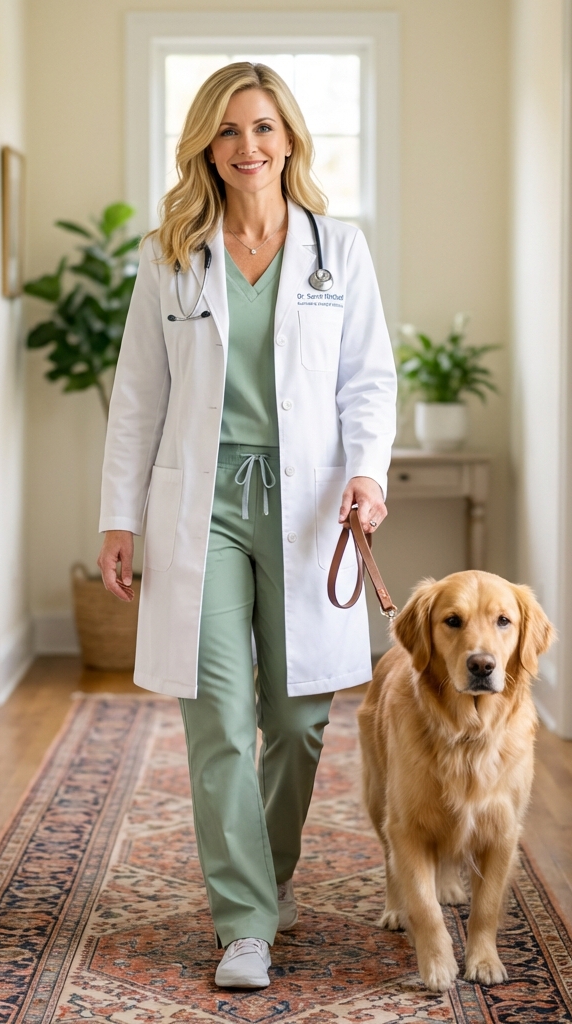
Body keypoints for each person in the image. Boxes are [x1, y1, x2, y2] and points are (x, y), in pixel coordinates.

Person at [97, 62, 397, 990]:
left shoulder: (336, 250)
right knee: (220, 716)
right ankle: (244, 922)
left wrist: (366, 474)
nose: (248, 148)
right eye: (228, 132)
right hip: (206, 505)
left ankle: (268, 872)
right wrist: (119, 518)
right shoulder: (171, 253)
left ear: (291, 139)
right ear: (206, 147)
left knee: (301, 716)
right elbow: (138, 395)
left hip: (308, 506)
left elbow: (368, 380)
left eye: (263, 128)